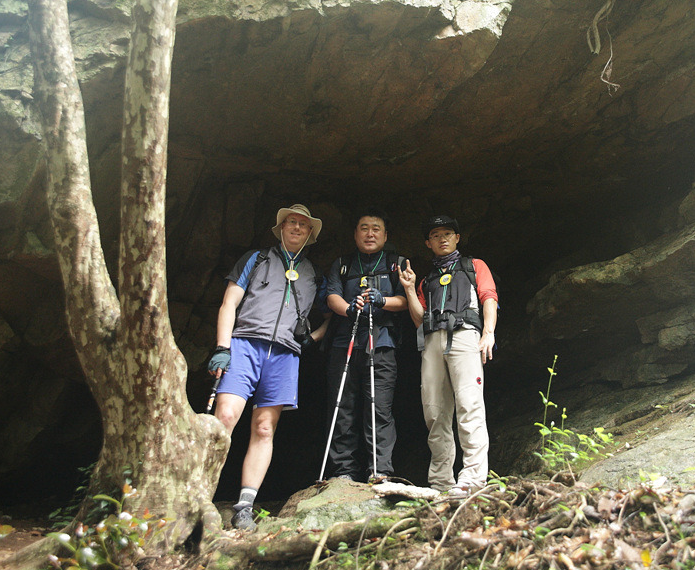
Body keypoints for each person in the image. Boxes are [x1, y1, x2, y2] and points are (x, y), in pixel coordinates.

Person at [207, 203, 328, 532]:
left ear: (310, 235)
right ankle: (200, 493)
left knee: (263, 429)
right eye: (291, 222)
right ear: (281, 228)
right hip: (245, 343)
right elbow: (229, 302)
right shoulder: (256, 259)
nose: (297, 228)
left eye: (304, 225)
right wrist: (222, 347)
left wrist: (313, 338)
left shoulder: (313, 275)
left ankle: (245, 505)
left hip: (285, 355)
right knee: (226, 417)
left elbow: (331, 311)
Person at [399, 215, 498, 496]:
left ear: (457, 238)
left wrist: (488, 333)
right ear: (428, 243)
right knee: (434, 411)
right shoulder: (427, 279)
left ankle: (473, 478)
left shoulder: (473, 266)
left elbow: (488, 296)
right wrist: (408, 288)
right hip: (432, 341)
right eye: (435, 235)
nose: (442, 238)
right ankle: (442, 481)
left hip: (465, 335)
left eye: (447, 233)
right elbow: (419, 319)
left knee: (469, 405)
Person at [323, 209, 408, 482]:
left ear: (385, 235)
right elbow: (331, 296)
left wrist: (382, 300)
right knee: (342, 407)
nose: (370, 234)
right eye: (364, 228)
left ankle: (379, 469)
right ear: (355, 234)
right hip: (344, 344)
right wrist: (349, 309)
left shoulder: (397, 263)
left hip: (381, 343)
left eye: (375, 229)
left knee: (379, 408)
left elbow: (407, 300)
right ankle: (344, 471)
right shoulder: (343, 264)